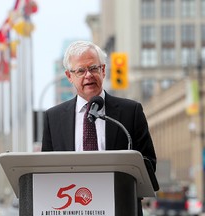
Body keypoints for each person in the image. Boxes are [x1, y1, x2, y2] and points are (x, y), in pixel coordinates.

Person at [41, 40, 157, 216]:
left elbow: (149, 163)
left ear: (103, 70)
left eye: (93, 68)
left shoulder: (130, 112)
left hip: (121, 207)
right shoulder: (53, 118)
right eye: (80, 70)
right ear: (69, 76)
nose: (88, 75)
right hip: (72, 208)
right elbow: (46, 170)